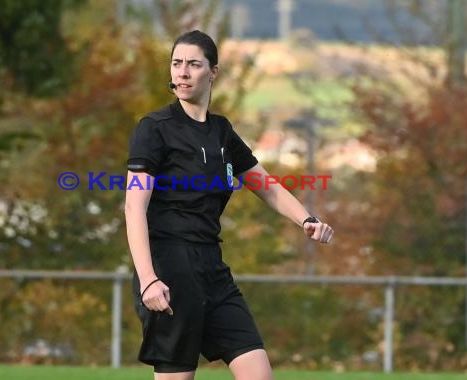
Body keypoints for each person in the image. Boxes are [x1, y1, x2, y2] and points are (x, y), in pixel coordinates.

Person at [125, 30, 334, 380]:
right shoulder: (154, 128)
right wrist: (148, 279)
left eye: (194, 64)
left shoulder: (221, 132)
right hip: (169, 267)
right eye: (177, 64)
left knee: (258, 373)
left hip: (212, 267)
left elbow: (266, 186)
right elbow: (134, 208)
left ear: (213, 72)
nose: (183, 72)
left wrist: (306, 219)